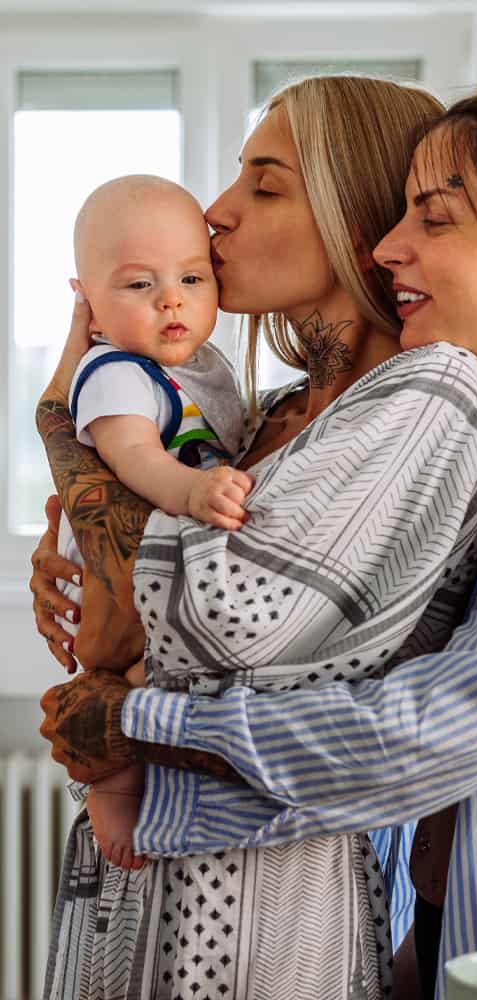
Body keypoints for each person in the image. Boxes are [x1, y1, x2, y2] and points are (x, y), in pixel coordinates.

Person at [35, 34, 477, 1000]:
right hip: (463, 954)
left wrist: (133, 720)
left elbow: (429, 733)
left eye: (435, 220)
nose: (386, 245)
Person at [32, 75, 477, 1000]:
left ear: (354, 209)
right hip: (133, 881)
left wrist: (65, 427)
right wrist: (87, 536)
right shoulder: (261, 417)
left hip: (257, 906)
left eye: (265, 184)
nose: (215, 214)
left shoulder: (428, 395)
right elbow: (109, 628)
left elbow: (207, 617)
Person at [55, 174, 250, 870]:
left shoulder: (203, 367)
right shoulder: (114, 371)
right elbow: (132, 454)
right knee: (112, 677)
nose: (172, 298)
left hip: (159, 572)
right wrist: (194, 492)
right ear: (92, 308)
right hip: (109, 584)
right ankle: (108, 786)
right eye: (139, 285)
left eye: (193, 278)